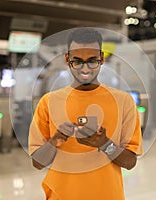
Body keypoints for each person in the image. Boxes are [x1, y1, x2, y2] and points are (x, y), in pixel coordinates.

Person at [29, 27, 143, 200]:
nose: (85, 69)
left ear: (102, 59)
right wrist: (55, 140)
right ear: (67, 59)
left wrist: (105, 144)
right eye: (77, 61)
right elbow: (37, 163)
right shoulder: (48, 102)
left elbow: (130, 162)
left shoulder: (123, 101)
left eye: (92, 61)